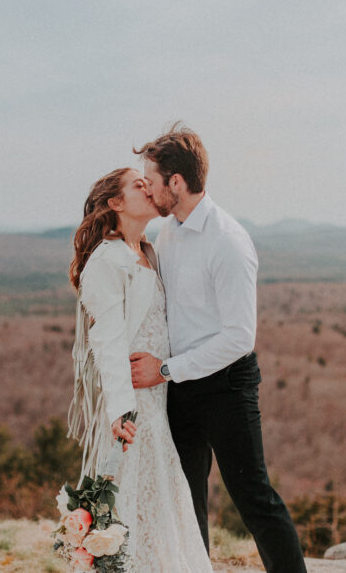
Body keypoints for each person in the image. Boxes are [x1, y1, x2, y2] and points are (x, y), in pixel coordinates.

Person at [130, 124, 307, 573]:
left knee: (253, 498)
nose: (146, 189)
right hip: (180, 387)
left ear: (176, 182)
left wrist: (165, 370)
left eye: (152, 180)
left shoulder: (228, 241)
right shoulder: (166, 233)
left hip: (226, 386)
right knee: (187, 502)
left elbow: (238, 337)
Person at [67, 167, 213, 572]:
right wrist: (119, 409)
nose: (148, 187)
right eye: (137, 184)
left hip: (159, 396)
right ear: (116, 204)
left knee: (160, 504)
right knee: (132, 505)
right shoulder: (107, 260)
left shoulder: (146, 251)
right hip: (132, 407)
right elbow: (107, 340)